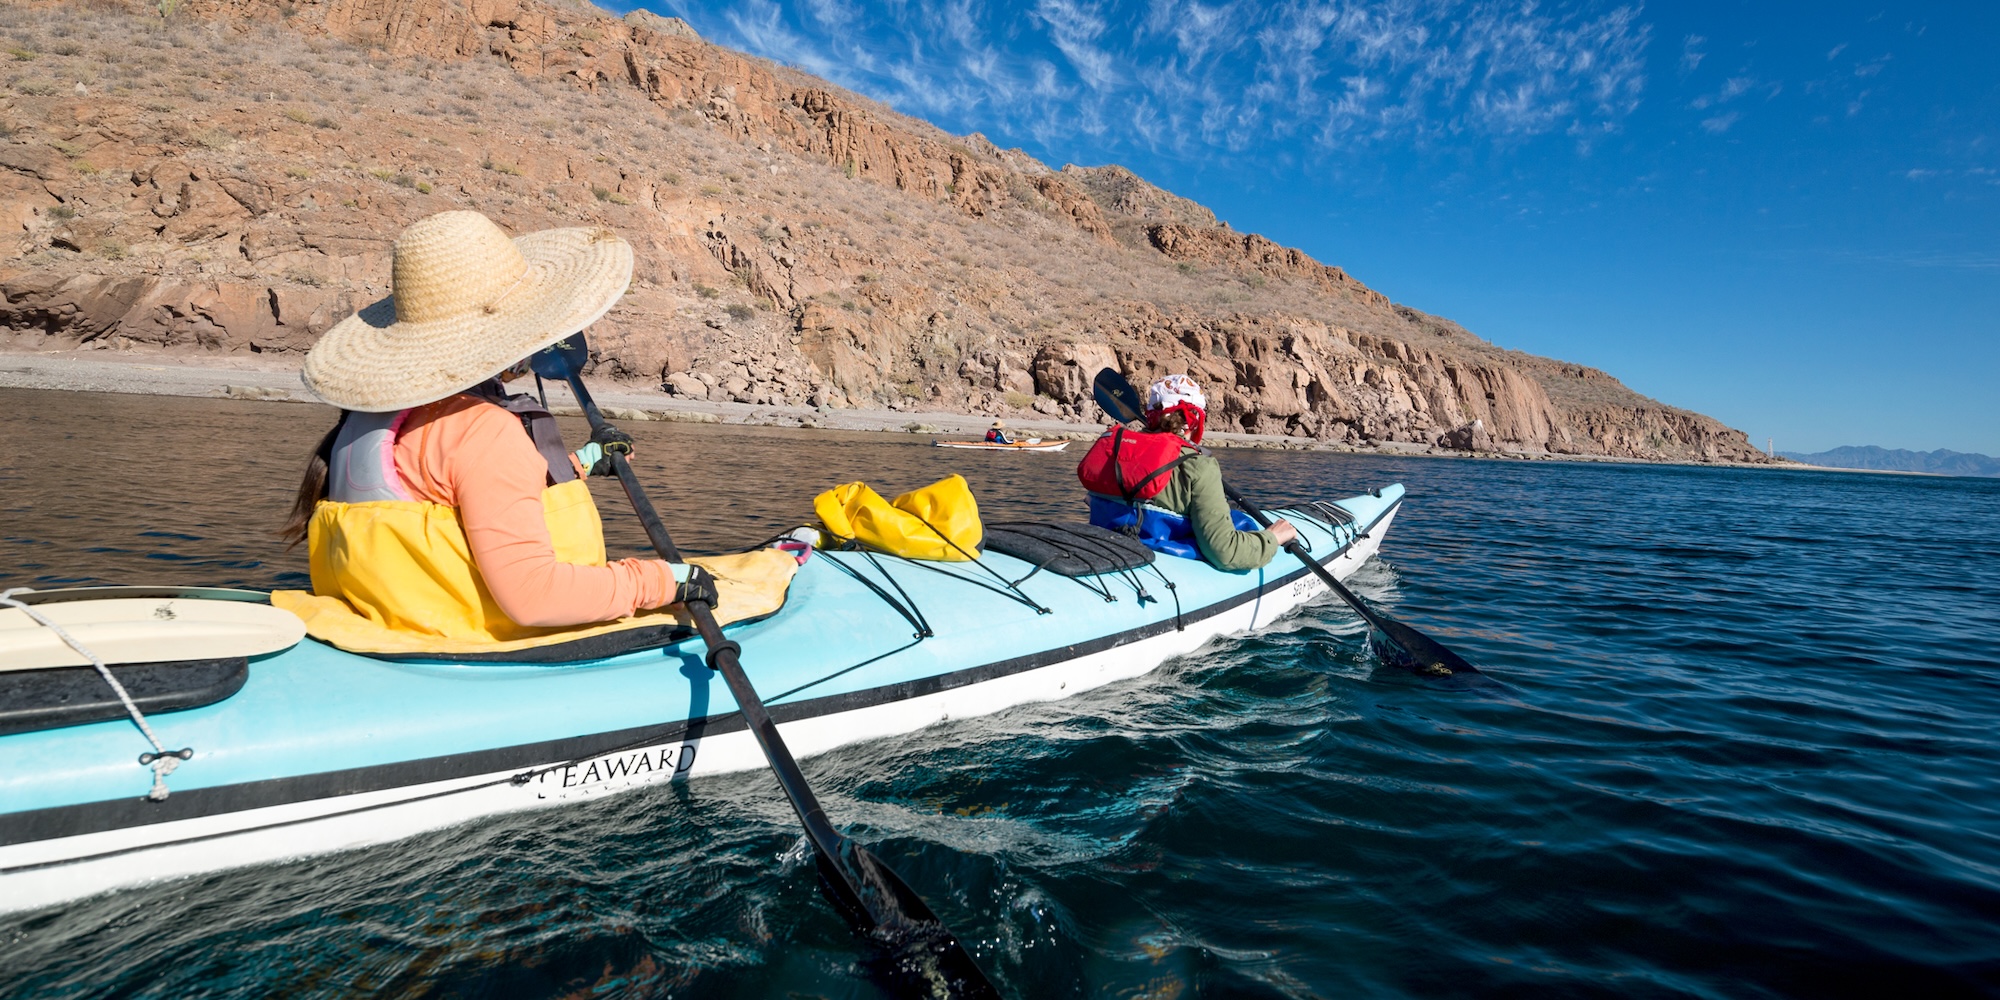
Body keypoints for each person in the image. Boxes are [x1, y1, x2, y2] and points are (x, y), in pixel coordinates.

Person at [274, 210, 716, 652]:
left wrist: (582, 463)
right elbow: (534, 596)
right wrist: (663, 581)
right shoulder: (485, 431)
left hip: (385, 629)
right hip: (470, 646)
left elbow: (460, 496)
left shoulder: (377, 417)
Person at [1076, 374, 1296, 571]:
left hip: (1105, 546)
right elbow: (1225, 552)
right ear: (1196, 421)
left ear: (1151, 414)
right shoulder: (1199, 466)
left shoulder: (1116, 449)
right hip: (1158, 561)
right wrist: (1272, 538)